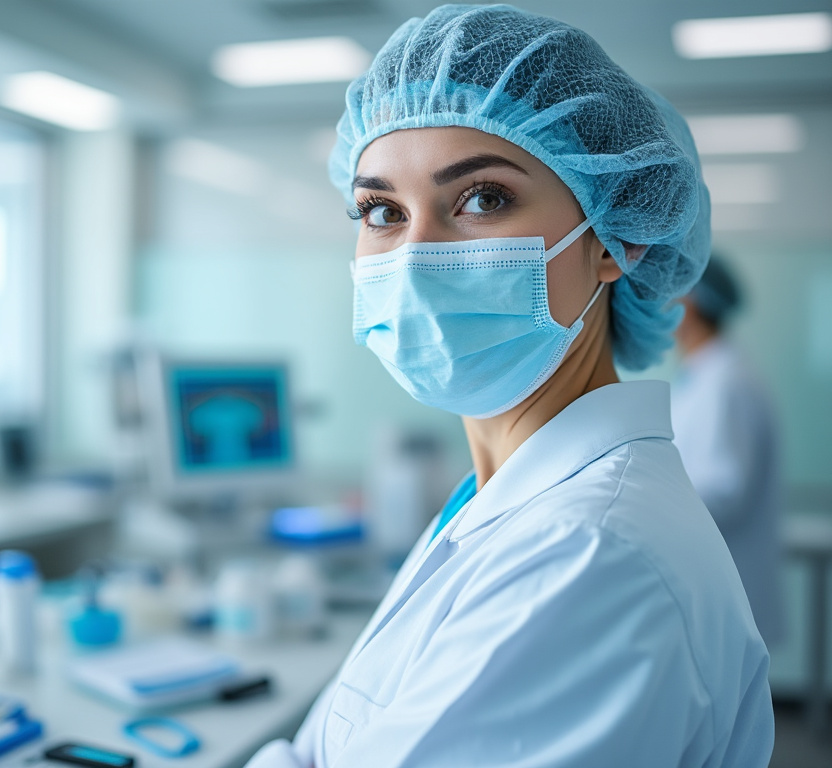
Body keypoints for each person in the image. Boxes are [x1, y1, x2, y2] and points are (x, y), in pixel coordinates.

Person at [247, 5, 772, 766]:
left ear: (614, 239)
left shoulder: (590, 558)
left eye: (483, 198)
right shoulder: (505, 498)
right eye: (381, 210)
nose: (417, 256)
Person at [672, 256, 784, 647]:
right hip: (707, 586)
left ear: (692, 301)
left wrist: (648, 507)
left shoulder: (726, 381)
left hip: (727, 584)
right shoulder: (703, 376)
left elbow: (725, 489)